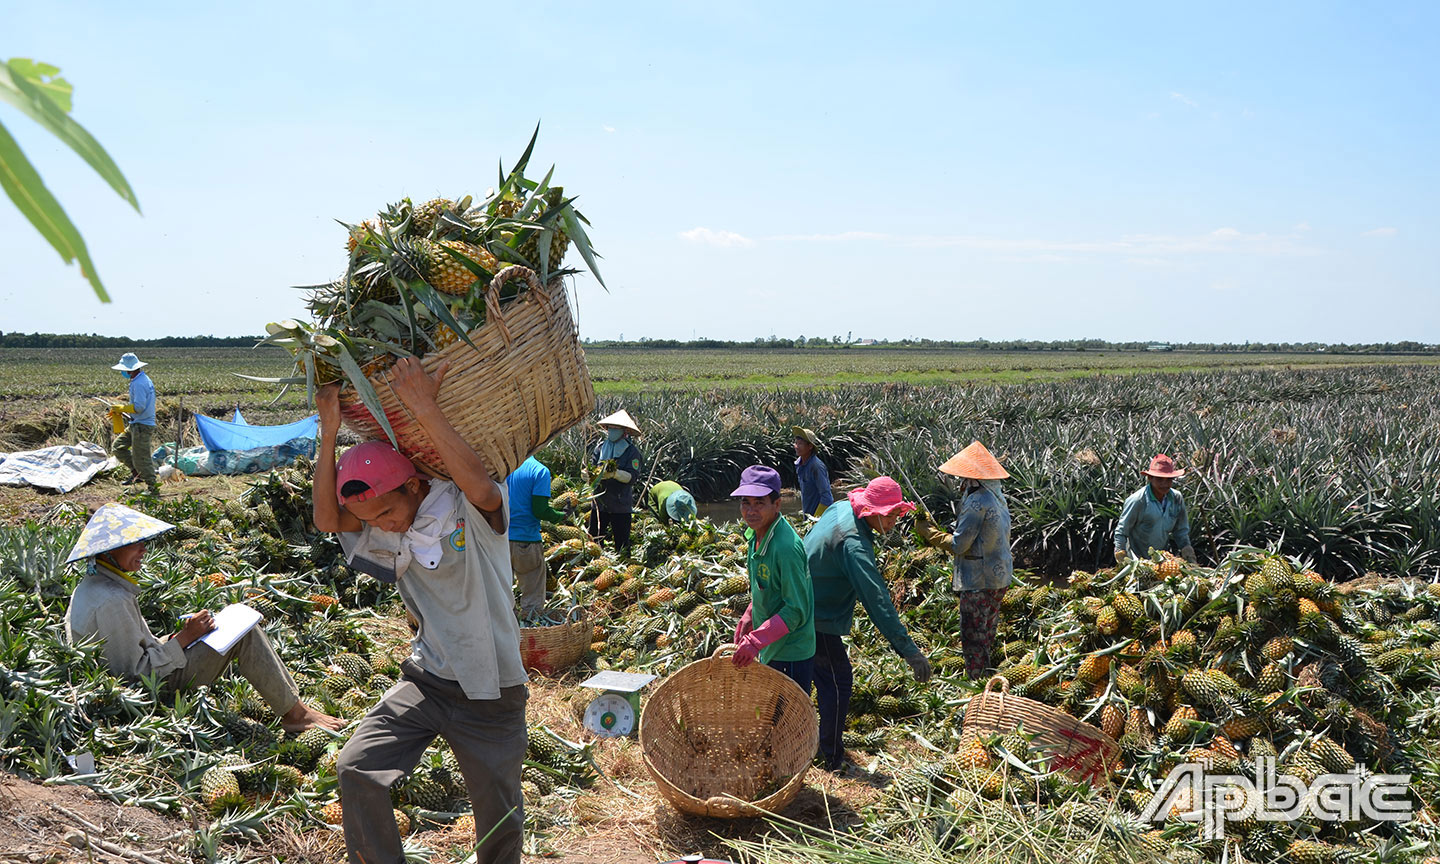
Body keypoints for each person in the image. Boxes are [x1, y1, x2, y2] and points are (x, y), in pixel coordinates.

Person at [313, 357, 527, 864]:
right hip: (428, 679)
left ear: (413, 485)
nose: (382, 527)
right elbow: (326, 518)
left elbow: (479, 483)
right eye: (371, 520)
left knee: (498, 819)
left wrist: (423, 405)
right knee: (356, 768)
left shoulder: (466, 513)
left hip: (490, 690)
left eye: (386, 512)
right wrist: (328, 435)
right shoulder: (388, 528)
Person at [63, 503, 342, 733]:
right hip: (144, 693)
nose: (144, 549)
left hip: (135, 678)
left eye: (144, 542)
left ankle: (290, 704)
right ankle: (296, 714)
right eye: (136, 543)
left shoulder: (93, 585)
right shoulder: (113, 600)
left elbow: (133, 652)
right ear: (111, 550)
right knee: (245, 634)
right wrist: (185, 639)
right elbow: (133, 676)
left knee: (225, 630)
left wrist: (178, 638)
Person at [803, 476, 932, 771]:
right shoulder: (854, 545)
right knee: (838, 682)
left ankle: (803, 739)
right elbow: (876, 601)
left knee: (808, 678)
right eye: (891, 516)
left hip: (802, 601)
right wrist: (909, 651)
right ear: (873, 511)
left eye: (898, 515)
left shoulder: (841, 507)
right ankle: (831, 757)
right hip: (814, 613)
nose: (894, 523)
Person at [914, 441, 1013, 679]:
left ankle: (979, 688)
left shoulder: (977, 501)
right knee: (986, 633)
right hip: (999, 577)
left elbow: (960, 544)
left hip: (979, 579)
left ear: (973, 479)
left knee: (973, 638)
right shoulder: (996, 496)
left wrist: (929, 533)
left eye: (964, 478)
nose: (961, 483)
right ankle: (989, 678)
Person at [728, 466, 815, 692]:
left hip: (790, 653)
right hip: (770, 644)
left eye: (759, 503)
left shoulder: (785, 548)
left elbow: (795, 610)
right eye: (745, 502)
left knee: (789, 722)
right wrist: (749, 614)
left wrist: (755, 641)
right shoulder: (755, 535)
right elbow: (764, 585)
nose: (751, 511)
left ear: (777, 505)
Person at [507, 455, 568, 619]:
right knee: (532, 597)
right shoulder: (540, 471)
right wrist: (560, 516)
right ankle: (530, 634)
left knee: (503, 594)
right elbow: (540, 510)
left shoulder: (506, 466)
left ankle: (506, 633)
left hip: (501, 539)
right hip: (527, 541)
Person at [1114, 454, 1196, 566]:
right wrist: (1120, 553)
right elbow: (1121, 532)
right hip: (1137, 561)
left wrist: (1186, 547)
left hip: (1162, 560)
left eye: (1168, 480)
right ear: (1150, 478)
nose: (1164, 484)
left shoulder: (1176, 498)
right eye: (1159, 479)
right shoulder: (1138, 500)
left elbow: (1180, 530)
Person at [588, 409, 643, 553]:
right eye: (610, 428)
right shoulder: (600, 448)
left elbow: (632, 477)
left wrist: (615, 474)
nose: (612, 431)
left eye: (616, 429)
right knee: (594, 539)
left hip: (620, 504)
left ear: (624, 431)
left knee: (622, 542)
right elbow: (592, 468)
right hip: (600, 502)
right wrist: (589, 475)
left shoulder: (631, 452)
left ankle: (624, 565)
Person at [109, 352, 158, 492]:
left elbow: (139, 407)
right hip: (135, 424)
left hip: (143, 425)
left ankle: (152, 486)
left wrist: (122, 408)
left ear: (129, 369)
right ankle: (136, 473)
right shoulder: (139, 380)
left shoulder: (140, 383)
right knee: (118, 447)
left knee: (141, 457)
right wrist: (121, 410)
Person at [792, 426, 833, 517]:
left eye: (800, 444)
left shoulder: (816, 466)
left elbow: (827, 497)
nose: (796, 446)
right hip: (808, 515)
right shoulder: (799, 464)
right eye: (796, 443)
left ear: (810, 446)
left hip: (818, 519)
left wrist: (815, 520)